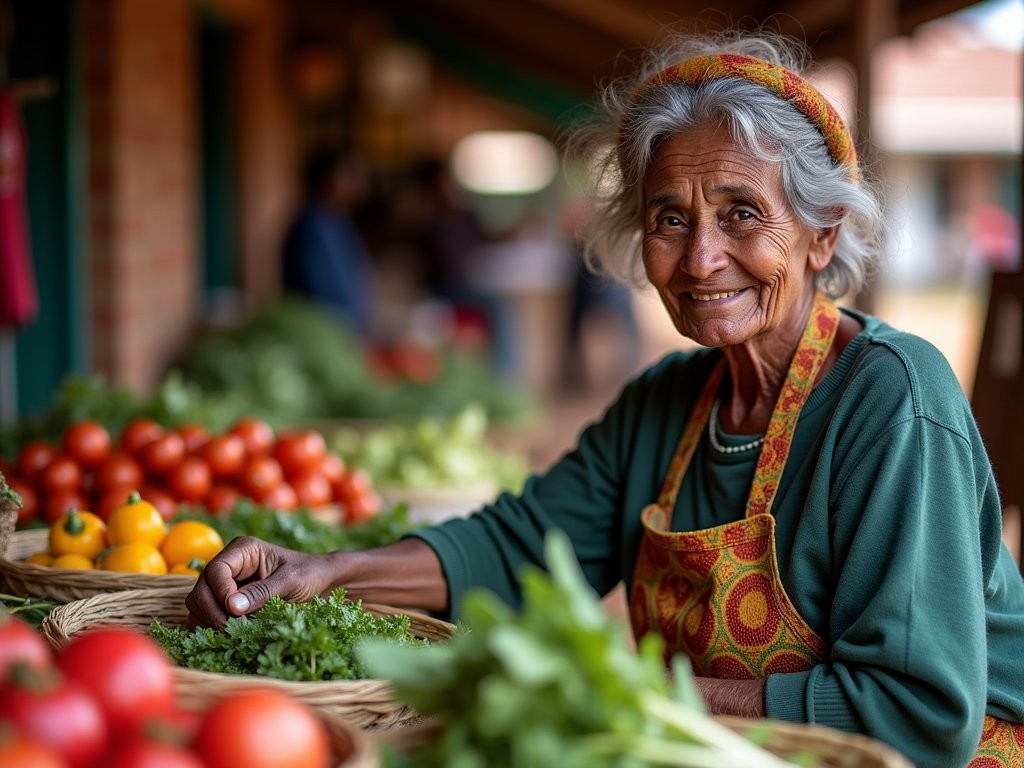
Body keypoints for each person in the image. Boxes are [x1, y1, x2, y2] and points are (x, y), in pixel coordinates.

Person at [189, 29, 1024, 768]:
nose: (700, 260)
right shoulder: (666, 403)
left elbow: (922, 716)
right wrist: (326, 572)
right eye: (669, 220)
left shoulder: (890, 398)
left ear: (822, 235)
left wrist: (641, 687)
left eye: (742, 214)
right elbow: (516, 544)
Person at [281, 146, 376, 336]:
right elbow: (318, 296)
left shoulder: (338, 221)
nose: (356, 182)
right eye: (348, 174)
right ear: (327, 178)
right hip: (322, 334)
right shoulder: (309, 228)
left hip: (347, 333)